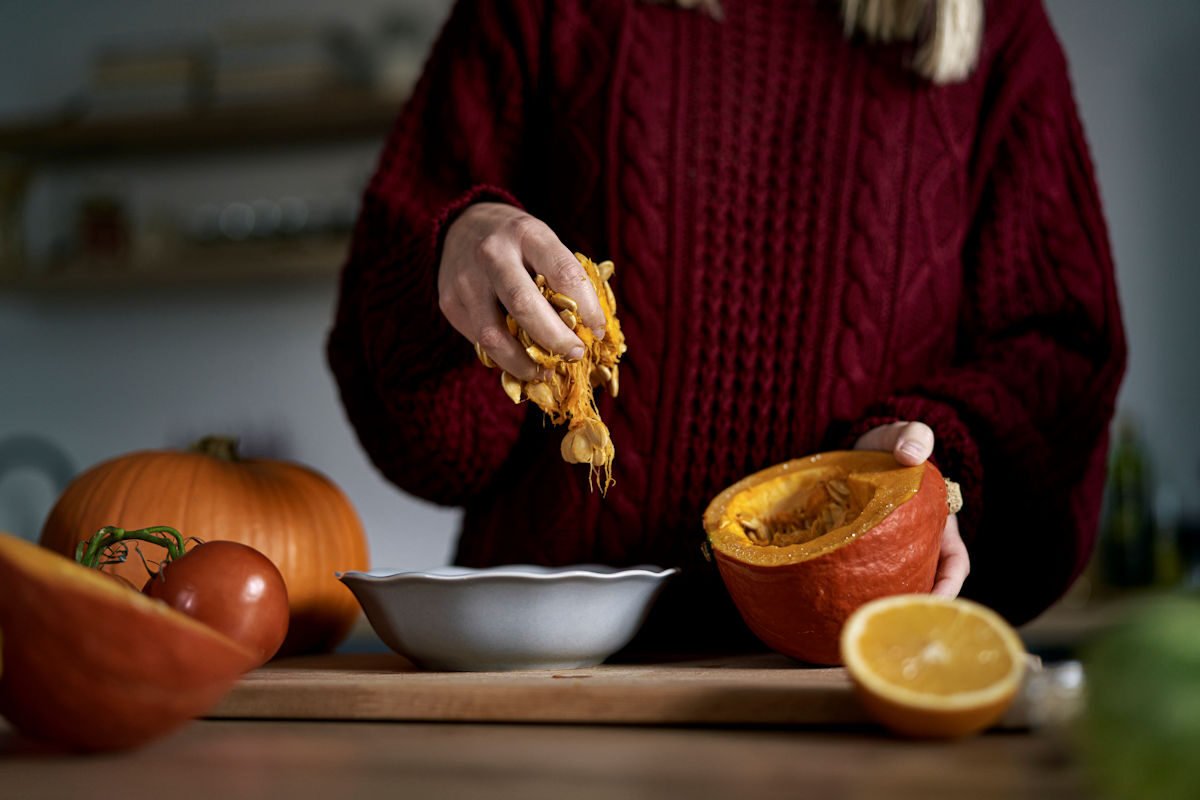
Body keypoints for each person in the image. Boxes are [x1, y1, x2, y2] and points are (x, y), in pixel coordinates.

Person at [327, 0, 1126, 651]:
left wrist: (936, 467)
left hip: (854, 687)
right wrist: (450, 257)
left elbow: (1062, 359)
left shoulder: (999, 24)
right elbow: (430, 450)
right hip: (542, 682)